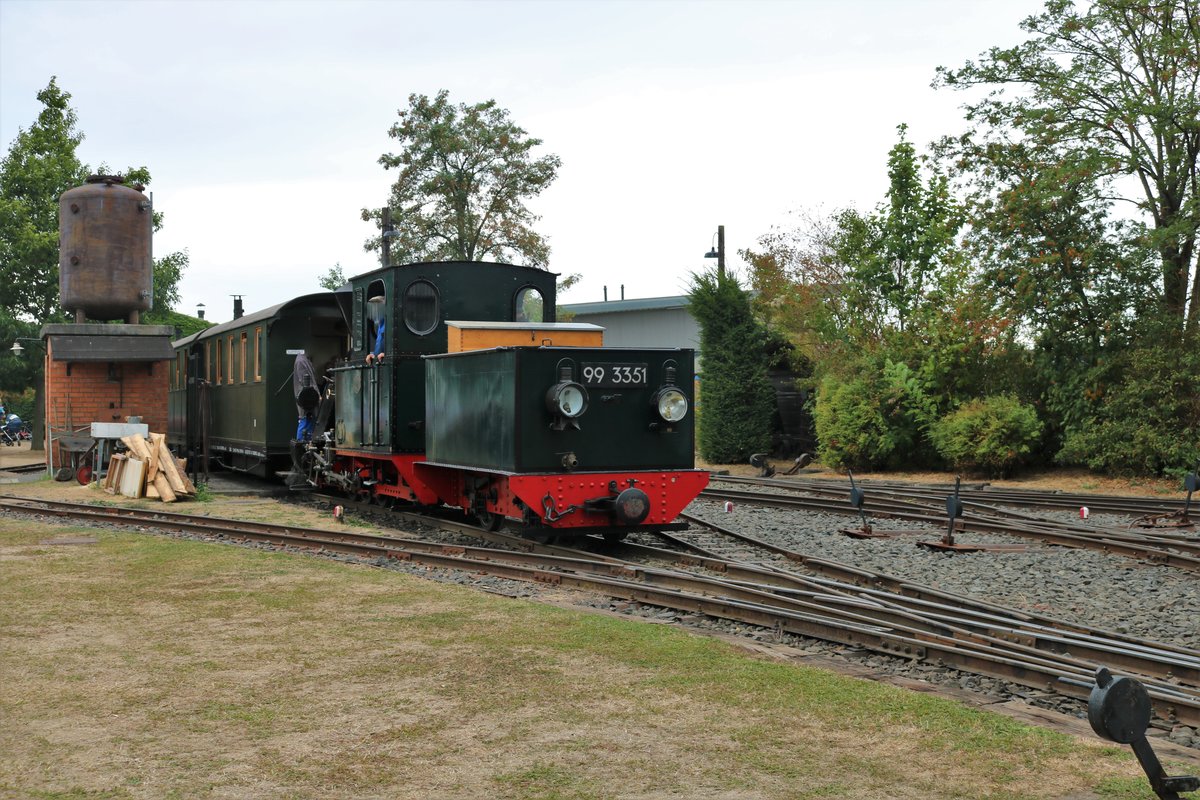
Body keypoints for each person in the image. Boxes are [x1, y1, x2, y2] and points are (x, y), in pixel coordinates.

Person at [293, 352, 318, 441]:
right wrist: (317, 395)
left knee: (307, 421)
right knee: (305, 419)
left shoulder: (303, 359)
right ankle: (300, 445)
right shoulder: (301, 361)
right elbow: (306, 381)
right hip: (307, 398)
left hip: (307, 396)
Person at [365, 295, 386, 365]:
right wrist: (373, 354)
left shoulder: (388, 324)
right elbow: (379, 345)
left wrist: (386, 354)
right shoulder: (379, 326)